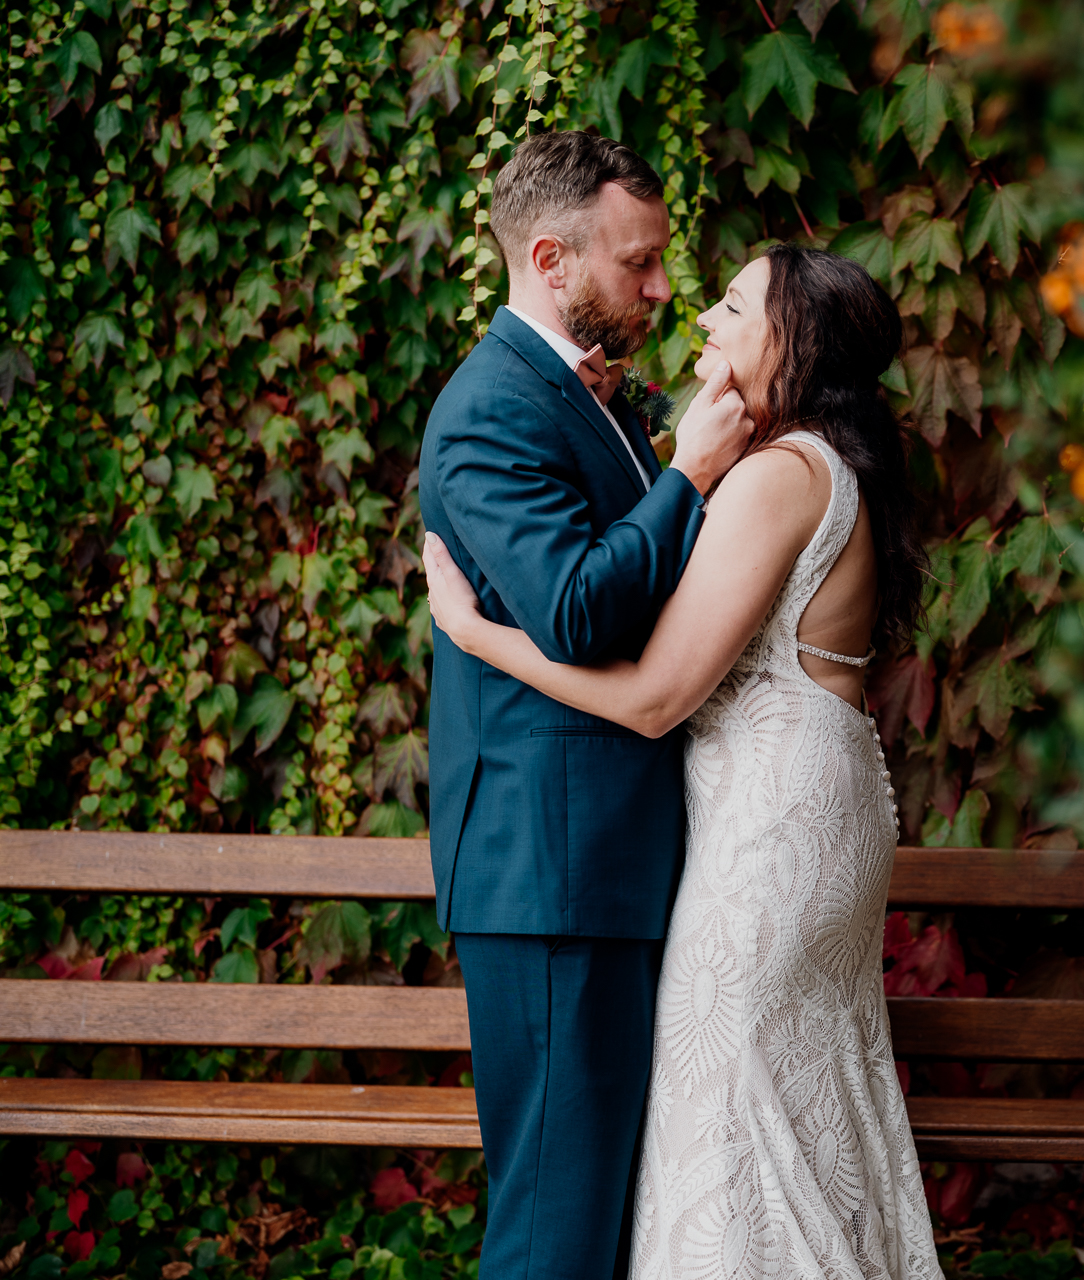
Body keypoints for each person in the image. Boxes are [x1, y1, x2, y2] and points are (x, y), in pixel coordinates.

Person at [424, 243, 940, 1280]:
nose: (700, 314)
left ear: (793, 342)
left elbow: (660, 695)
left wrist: (477, 637)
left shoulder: (776, 478)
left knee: (735, 1112)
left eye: (735, 304)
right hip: (813, 804)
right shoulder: (824, 462)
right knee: (792, 1105)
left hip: (768, 832)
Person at [417, 130, 753, 1280]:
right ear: (552, 259)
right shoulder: (487, 411)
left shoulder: (590, 391)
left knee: (606, 1212)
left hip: (598, 861)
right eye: (639, 263)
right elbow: (575, 610)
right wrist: (689, 475)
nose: (664, 286)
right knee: (555, 1229)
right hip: (550, 872)